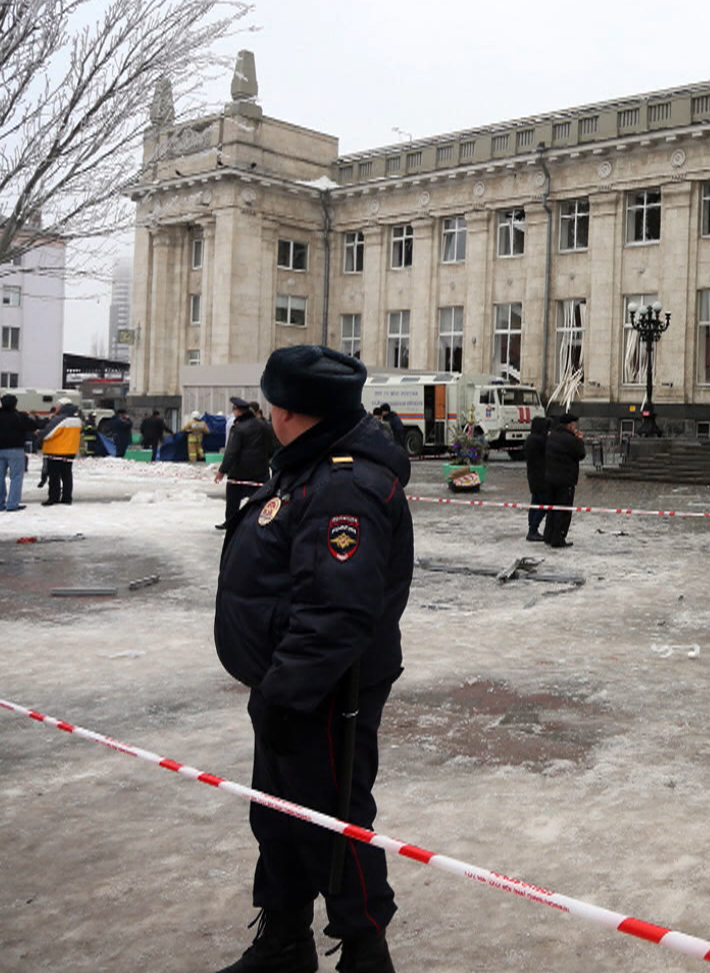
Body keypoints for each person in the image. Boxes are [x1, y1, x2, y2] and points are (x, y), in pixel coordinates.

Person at [212, 345, 410, 973]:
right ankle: (285, 938)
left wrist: (286, 692)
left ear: (290, 409)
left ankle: (364, 950)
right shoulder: (307, 466)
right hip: (289, 684)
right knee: (278, 819)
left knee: (334, 824)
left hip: (323, 691)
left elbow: (336, 612)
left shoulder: (342, 484)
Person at [216, 397, 280, 530]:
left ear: (239, 411)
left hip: (239, 472)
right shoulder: (264, 426)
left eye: (234, 409)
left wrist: (222, 471)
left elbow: (231, 451)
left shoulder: (238, 428)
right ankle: (261, 522)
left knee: (233, 500)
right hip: (260, 471)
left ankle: (230, 522)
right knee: (260, 500)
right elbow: (272, 446)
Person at [0, 394, 37, 512]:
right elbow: (33, 426)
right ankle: (12, 504)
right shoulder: (18, 416)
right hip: (15, 449)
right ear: (15, 404)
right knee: (16, 477)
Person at [541, 413, 586, 549]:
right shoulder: (570, 440)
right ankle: (558, 538)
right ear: (570, 425)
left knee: (552, 508)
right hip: (565, 479)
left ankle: (548, 535)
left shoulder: (553, 435)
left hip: (550, 478)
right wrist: (579, 441)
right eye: (574, 425)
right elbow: (581, 454)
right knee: (563, 509)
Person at [38, 401, 83, 506]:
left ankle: (54, 497)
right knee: (67, 475)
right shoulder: (77, 420)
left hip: (55, 450)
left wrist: (39, 433)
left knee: (54, 476)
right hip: (70, 451)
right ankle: (67, 498)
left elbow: (48, 433)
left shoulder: (60, 419)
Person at [523, 415, 553, 542]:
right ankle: (533, 529)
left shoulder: (530, 439)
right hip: (541, 477)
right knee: (545, 504)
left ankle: (532, 528)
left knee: (535, 503)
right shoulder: (539, 440)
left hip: (533, 476)